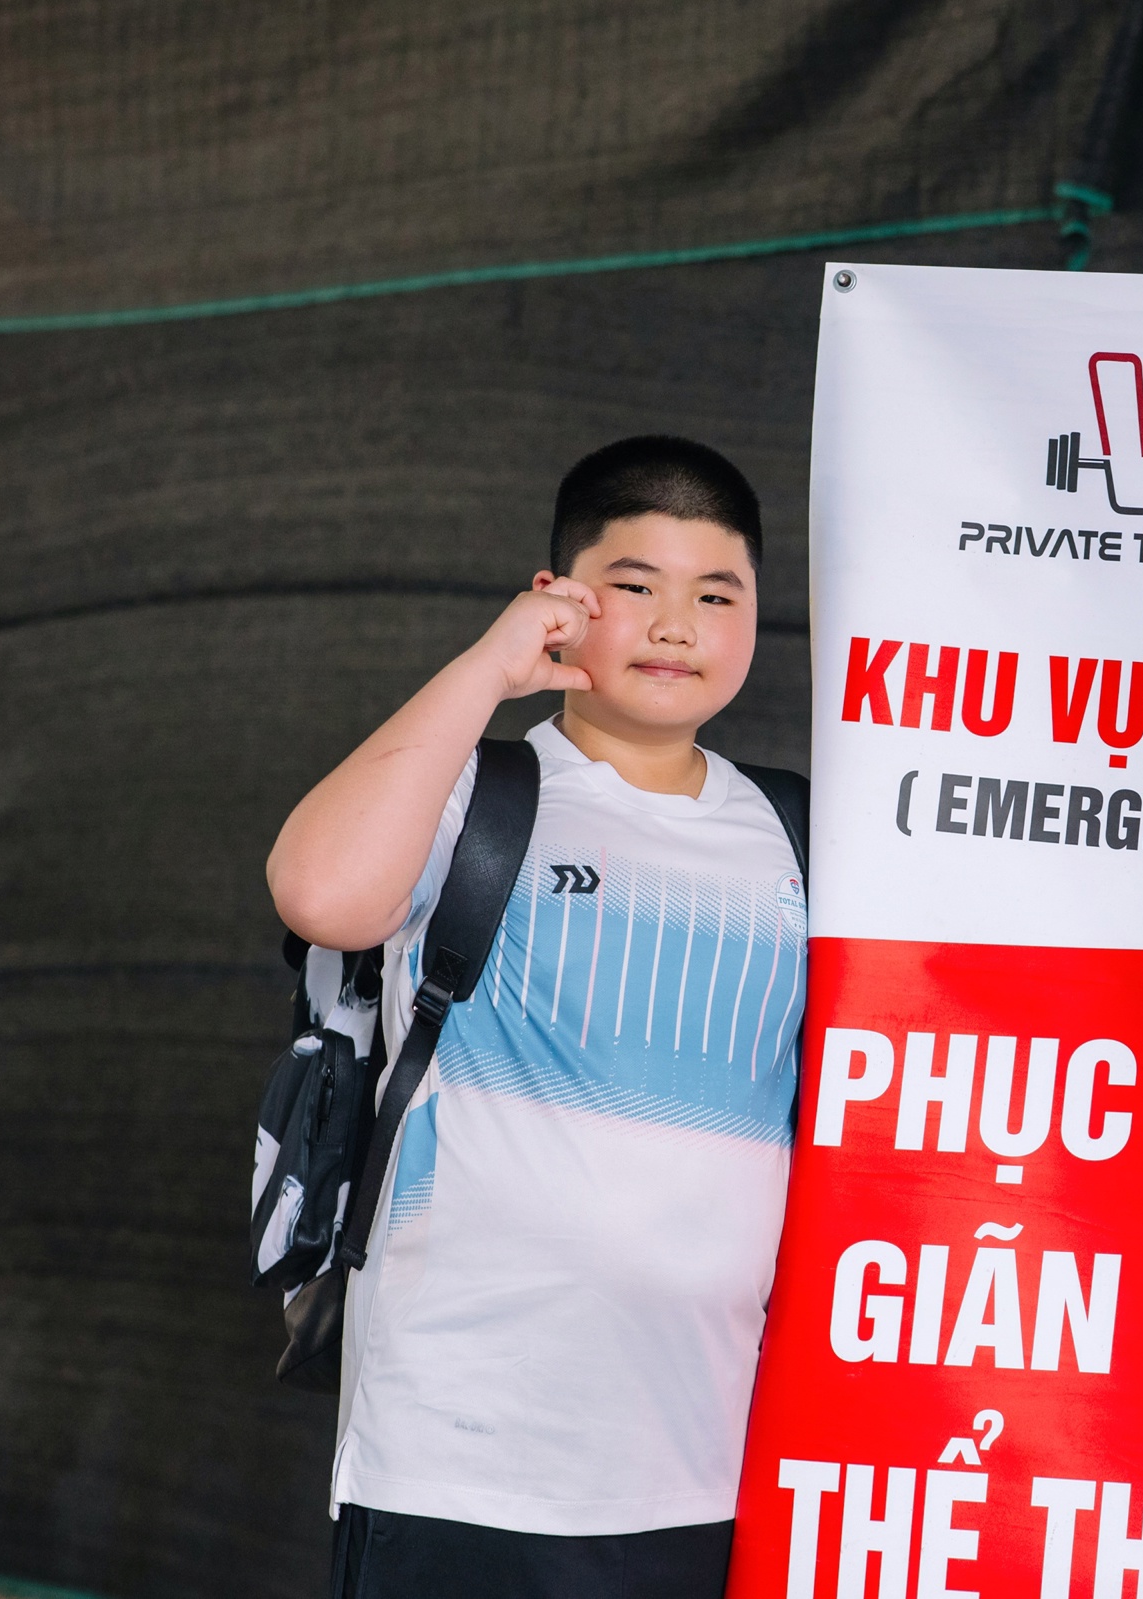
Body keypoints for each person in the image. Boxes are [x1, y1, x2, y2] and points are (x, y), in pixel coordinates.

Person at [266, 436, 808, 1599]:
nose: (677, 626)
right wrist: (488, 668)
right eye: (635, 586)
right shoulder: (475, 794)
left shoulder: (801, 838)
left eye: (717, 596)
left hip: (704, 1470)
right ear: (558, 599)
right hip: (455, 1454)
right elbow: (320, 893)